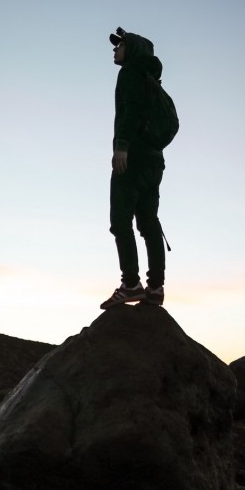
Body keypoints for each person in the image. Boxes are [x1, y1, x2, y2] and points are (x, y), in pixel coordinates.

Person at [100, 27, 168, 309]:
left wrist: (121, 147)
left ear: (133, 50)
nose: (115, 49)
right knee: (149, 223)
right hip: (154, 163)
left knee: (120, 221)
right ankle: (155, 288)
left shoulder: (130, 73)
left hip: (134, 159)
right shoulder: (152, 79)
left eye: (120, 45)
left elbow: (132, 109)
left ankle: (130, 284)